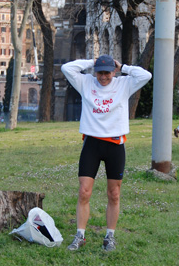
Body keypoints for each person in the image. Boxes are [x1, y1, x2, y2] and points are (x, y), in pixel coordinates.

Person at [61, 54, 152, 252]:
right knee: (84, 191)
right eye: (100, 72)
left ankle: (109, 236)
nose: (103, 77)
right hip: (92, 143)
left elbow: (146, 76)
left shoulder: (123, 84)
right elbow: (67, 68)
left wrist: (124, 67)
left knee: (114, 194)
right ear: (95, 72)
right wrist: (90, 63)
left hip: (114, 145)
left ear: (113, 71)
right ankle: (80, 235)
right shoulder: (85, 82)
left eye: (107, 73)